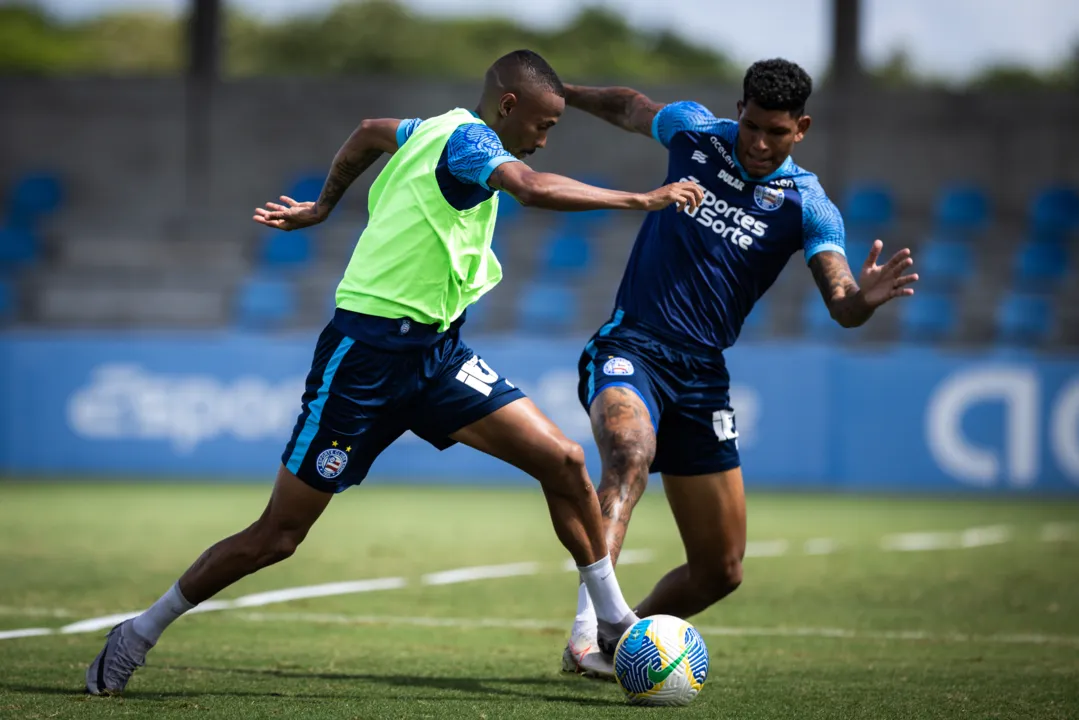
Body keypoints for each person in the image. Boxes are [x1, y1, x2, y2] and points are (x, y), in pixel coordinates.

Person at [85, 49, 704, 696]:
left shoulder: (431, 127)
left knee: (564, 463)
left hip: (436, 357)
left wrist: (324, 205)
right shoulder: (469, 142)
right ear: (508, 106)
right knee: (277, 536)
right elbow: (531, 188)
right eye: (544, 124)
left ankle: (609, 623)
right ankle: (138, 632)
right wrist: (641, 197)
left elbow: (370, 130)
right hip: (365, 361)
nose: (547, 136)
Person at [558, 58, 919, 679]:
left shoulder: (810, 206)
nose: (757, 142)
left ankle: (626, 647)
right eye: (750, 125)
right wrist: (560, 92)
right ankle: (589, 633)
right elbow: (628, 105)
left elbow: (841, 305)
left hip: (702, 377)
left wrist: (864, 298)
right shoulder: (695, 133)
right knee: (629, 451)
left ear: (800, 128)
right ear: (737, 111)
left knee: (720, 571)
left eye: (775, 132)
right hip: (633, 345)